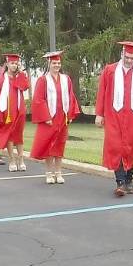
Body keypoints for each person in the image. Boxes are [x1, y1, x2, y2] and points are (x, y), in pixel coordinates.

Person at [94, 41, 133, 196]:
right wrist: (99, 114)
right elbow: (102, 92)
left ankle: (129, 180)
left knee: (131, 148)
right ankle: (120, 183)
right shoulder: (110, 70)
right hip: (114, 116)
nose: (129, 60)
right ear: (122, 54)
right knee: (116, 147)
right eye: (127, 57)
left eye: (132, 58)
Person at [30, 51, 81, 184]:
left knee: (59, 144)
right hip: (50, 118)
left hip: (62, 117)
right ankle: (49, 173)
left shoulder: (66, 79)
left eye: (58, 63)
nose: (57, 65)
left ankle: (58, 172)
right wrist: (46, 116)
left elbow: (71, 97)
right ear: (49, 64)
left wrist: (70, 114)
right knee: (49, 145)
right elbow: (39, 100)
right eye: (54, 63)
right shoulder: (43, 80)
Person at [0, 53, 30, 172]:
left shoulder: (20, 76)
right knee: (9, 136)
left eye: (16, 63)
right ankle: (12, 160)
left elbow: (25, 87)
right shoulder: (1, 79)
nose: (14, 65)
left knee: (19, 136)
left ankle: (21, 159)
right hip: (7, 111)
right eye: (12, 63)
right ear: (7, 64)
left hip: (19, 109)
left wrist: (21, 73)